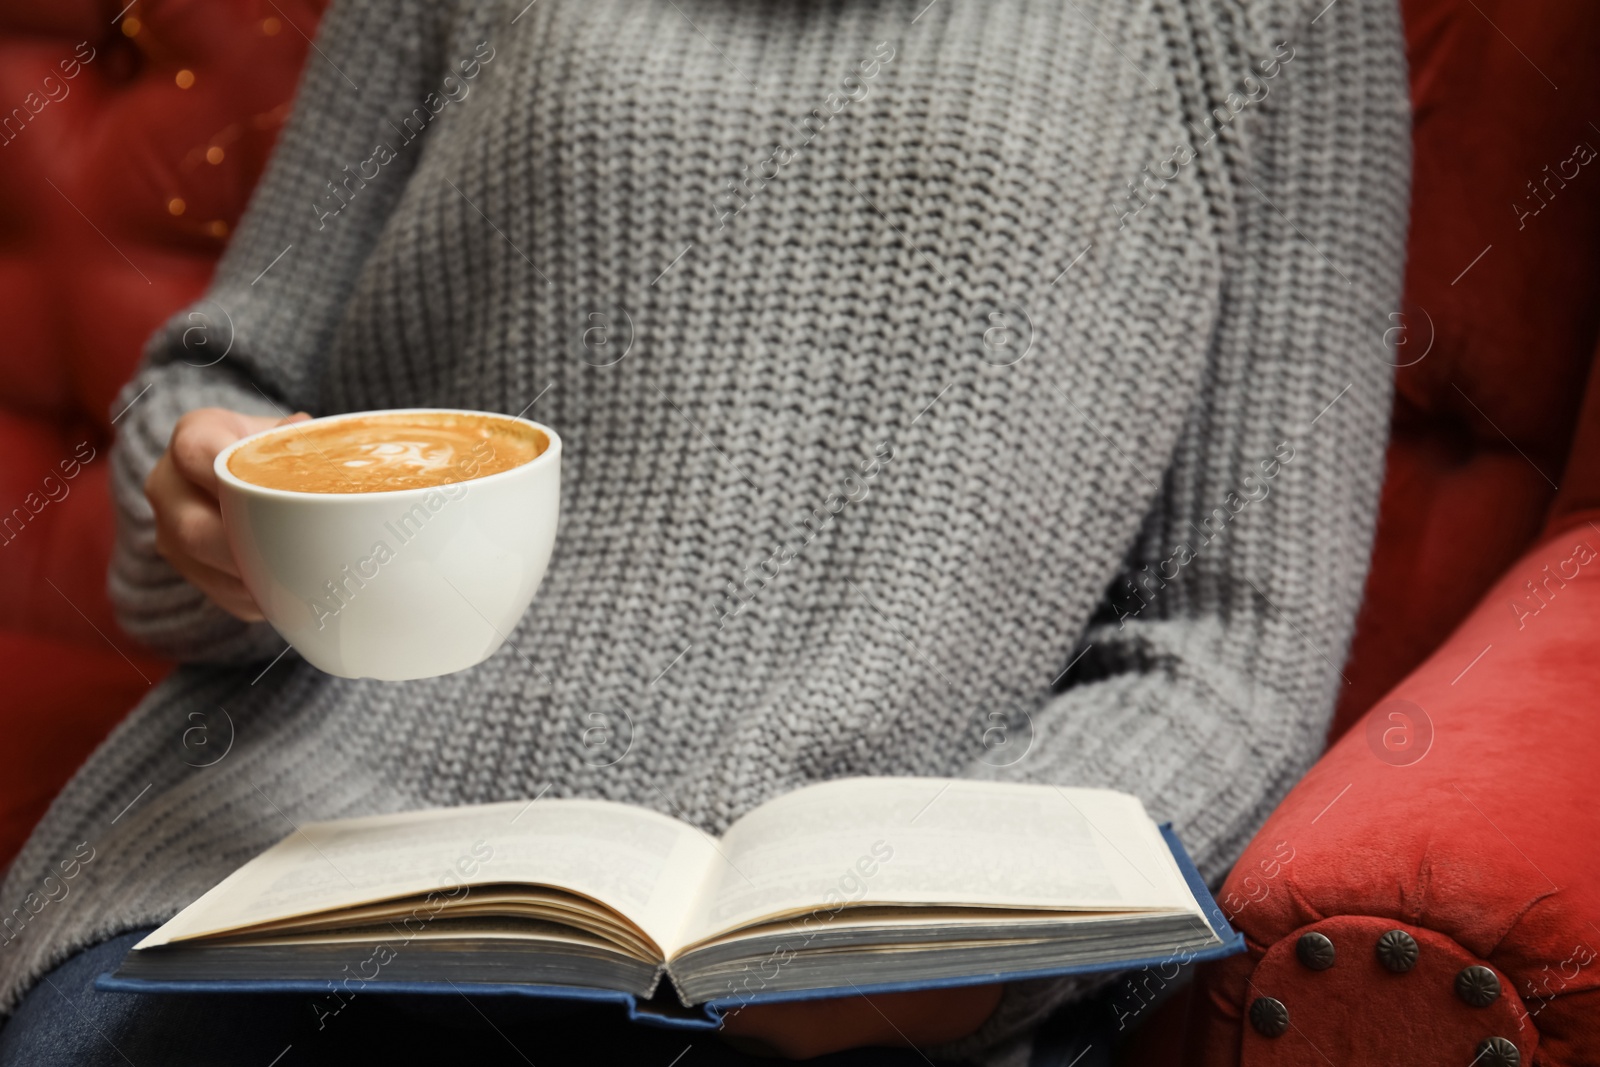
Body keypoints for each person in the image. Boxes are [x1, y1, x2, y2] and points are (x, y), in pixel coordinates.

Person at [0, 0, 1408, 1062]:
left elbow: (1234, 641)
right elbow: (234, 385)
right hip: (291, 848)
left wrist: (970, 951)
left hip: (845, 949)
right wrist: (203, 492)